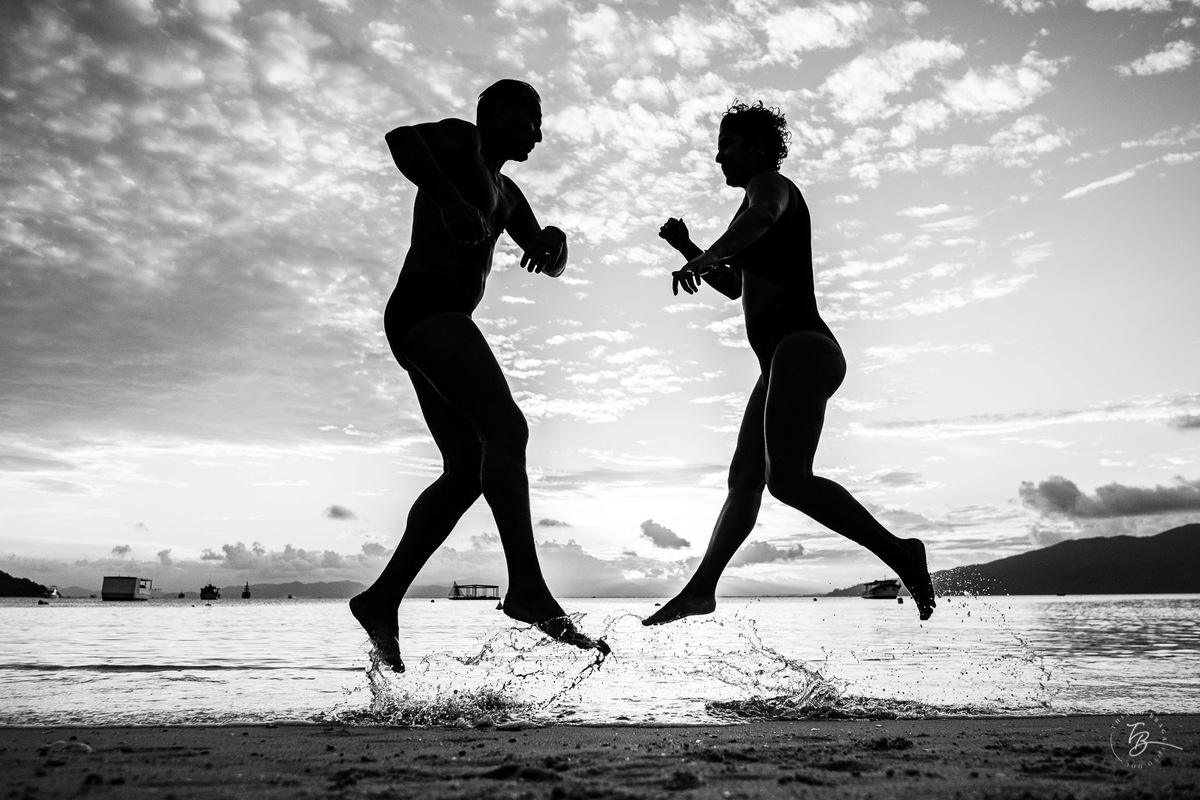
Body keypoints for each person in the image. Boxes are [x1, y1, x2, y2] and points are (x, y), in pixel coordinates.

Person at [643, 101, 936, 627]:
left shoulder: (771, 186)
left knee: (789, 481)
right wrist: (689, 247)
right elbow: (735, 287)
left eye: (726, 145)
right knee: (744, 479)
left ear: (758, 148)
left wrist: (708, 253)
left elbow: (764, 217)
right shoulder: (747, 210)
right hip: (780, 362)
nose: (718, 157)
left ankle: (902, 553)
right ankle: (702, 589)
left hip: (803, 348)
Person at [351, 80, 608, 672]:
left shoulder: (508, 194)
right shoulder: (460, 141)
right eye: (532, 118)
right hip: (425, 307)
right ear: (499, 111)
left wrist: (557, 242)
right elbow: (400, 140)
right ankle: (527, 589)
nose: (538, 134)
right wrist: (446, 199)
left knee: (467, 471)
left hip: (442, 320)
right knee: (508, 430)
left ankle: (381, 598)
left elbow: (545, 257)